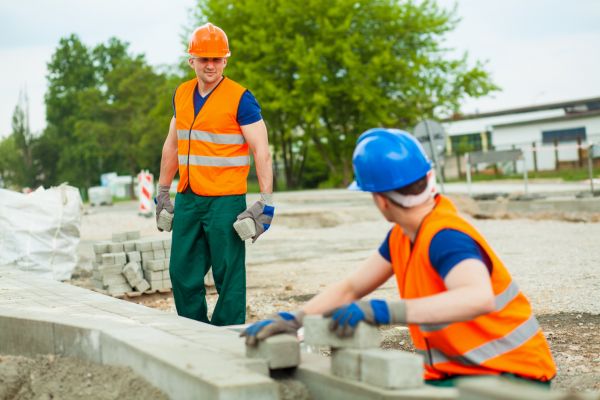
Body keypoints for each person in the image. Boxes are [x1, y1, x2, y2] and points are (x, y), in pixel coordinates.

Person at [242, 128, 556, 386]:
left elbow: (478, 298)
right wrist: (294, 319)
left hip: (514, 376)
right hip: (468, 372)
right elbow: (352, 288)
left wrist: (384, 310)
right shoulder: (404, 236)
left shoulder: (445, 236)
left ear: (381, 200)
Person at [156, 23, 274, 326]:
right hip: (189, 197)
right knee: (181, 271)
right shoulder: (181, 94)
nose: (210, 65)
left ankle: (228, 334)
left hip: (225, 199)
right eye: (204, 59)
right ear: (191, 60)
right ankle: (195, 330)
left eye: (217, 59)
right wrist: (163, 192)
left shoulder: (241, 98)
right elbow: (172, 144)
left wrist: (266, 201)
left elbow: (261, 150)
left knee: (229, 273)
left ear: (225, 60)